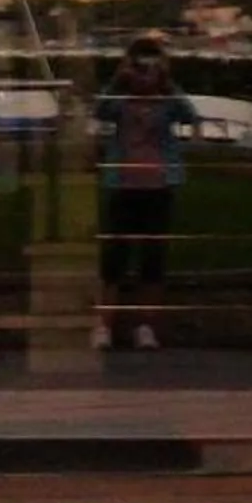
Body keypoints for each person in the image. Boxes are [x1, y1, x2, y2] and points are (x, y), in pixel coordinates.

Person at [92, 34, 200, 352]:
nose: (144, 71)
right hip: (123, 184)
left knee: (153, 260)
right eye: (140, 64)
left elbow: (189, 114)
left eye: (151, 64)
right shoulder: (120, 102)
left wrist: (167, 82)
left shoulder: (167, 102)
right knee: (114, 260)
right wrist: (119, 78)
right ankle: (105, 325)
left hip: (158, 185)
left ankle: (146, 325)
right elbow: (100, 110)